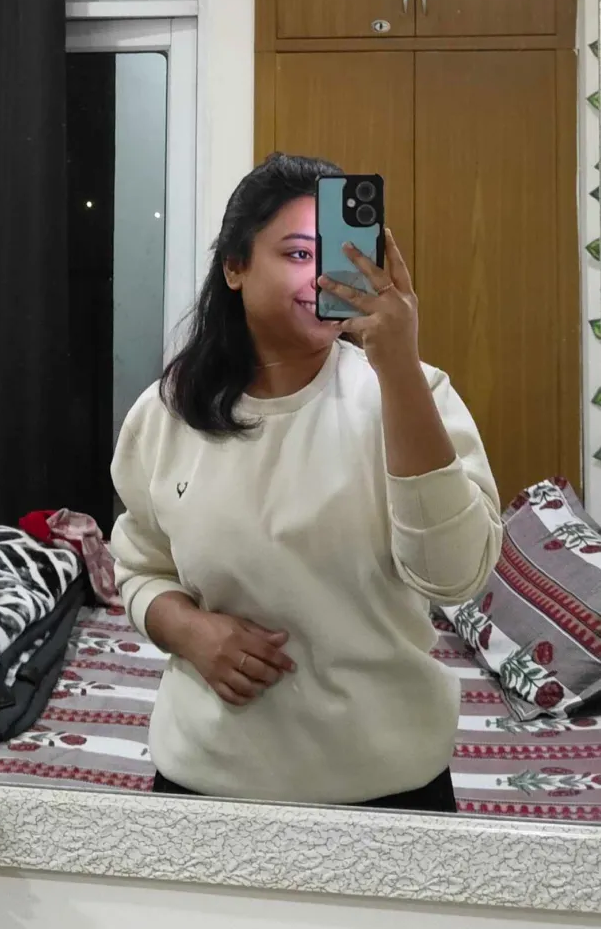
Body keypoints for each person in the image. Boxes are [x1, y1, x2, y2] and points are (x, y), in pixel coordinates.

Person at [111, 152, 501, 812]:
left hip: (390, 784)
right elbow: (140, 565)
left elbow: (455, 576)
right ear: (234, 267)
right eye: (296, 254)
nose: (322, 277)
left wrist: (399, 369)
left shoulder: (414, 394)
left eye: (341, 256)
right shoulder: (168, 412)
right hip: (205, 778)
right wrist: (187, 630)